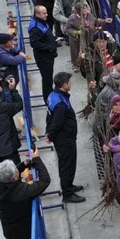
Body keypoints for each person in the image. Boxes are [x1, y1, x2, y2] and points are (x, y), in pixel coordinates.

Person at [47, 72, 85, 203]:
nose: (71, 84)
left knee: (69, 164)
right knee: (67, 165)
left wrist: (49, 132)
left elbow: (49, 117)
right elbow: (57, 122)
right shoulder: (60, 103)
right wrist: (50, 135)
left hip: (65, 138)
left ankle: (69, 185)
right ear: (64, 85)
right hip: (65, 139)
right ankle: (67, 194)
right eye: (69, 82)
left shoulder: (54, 95)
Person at [29, 5, 57, 102]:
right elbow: (34, 43)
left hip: (49, 55)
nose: (46, 15)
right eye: (44, 13)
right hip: (44, 58)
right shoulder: (35, 28)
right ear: (37, 14)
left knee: (49, 78)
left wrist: (54, 41)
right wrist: (49, 47)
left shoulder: (42, 22)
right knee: (47, 79)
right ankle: (48, 99)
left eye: (46, 12)